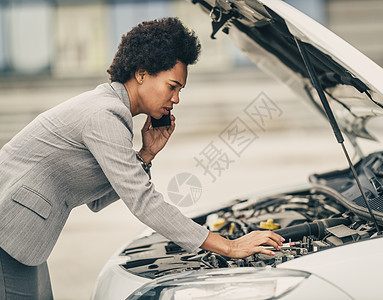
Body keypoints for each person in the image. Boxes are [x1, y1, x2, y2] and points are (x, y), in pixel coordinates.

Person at [0, 18, 284, 299]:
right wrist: (229, 246)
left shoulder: (110, 110)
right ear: (141, 73)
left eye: (180, 91)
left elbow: (96, 200)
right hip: (8, 229)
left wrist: (146, 154)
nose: (176, 99)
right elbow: (142, 200)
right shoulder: (105, 114)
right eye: (172, 86)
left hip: (23, 236)